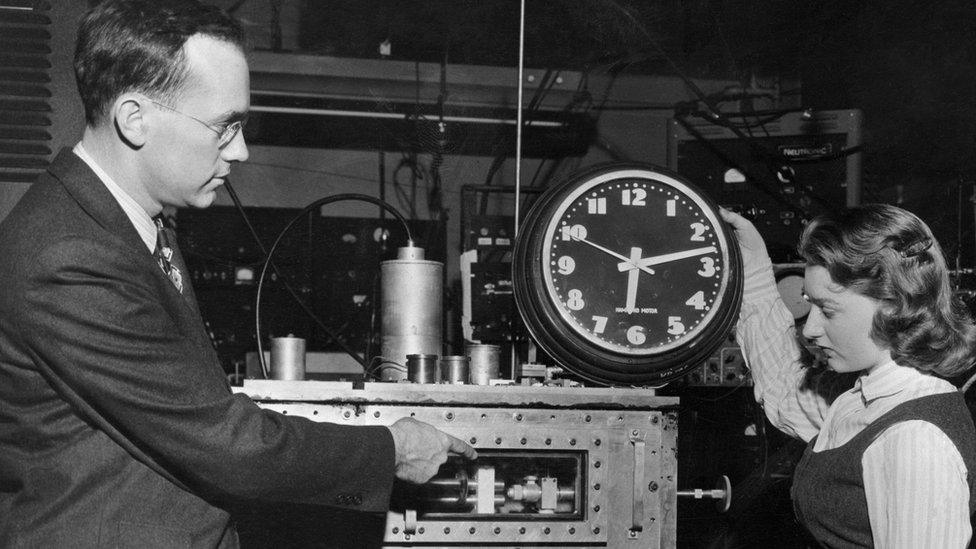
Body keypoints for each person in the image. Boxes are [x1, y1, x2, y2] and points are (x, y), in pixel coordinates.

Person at [0, 1, 475, 547]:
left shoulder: (130, 225)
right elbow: (227, 447)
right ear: (135, 119)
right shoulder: (70, 255)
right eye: (226, 126)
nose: (242, 150)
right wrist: (390, 450)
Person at [720, 203, 976, 548]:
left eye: (827, 309)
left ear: (892, 304)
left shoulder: (915, 437)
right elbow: (784, 388)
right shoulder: (860, 398)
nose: (809, 329)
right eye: (809, 304)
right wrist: (752, 269)